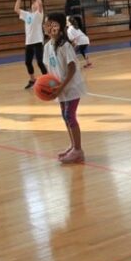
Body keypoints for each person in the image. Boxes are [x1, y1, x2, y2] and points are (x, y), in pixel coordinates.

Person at [43, 13, 87, 164]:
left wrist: (61, 86)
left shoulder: (65, 46)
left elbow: (72, 68)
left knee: (69, 115)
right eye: (46, 24)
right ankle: (73, 146)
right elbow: (50, 72)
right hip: (60, 88)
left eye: (50, 24)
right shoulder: (47, 47)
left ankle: (78, 150)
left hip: (71, 86)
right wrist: (49, 87)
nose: (47, 27)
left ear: (59, 27)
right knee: (65, 116)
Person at [15, 0, 47, 89]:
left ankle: (47, 79)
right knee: (27, 62)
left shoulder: (39, 14)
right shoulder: (27, 14)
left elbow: (40, 3)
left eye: (35, 2)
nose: (34, 3)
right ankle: (32, 80)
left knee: (40, 62)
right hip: (29, 42)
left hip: (38, 41)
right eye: (33, 2)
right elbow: (16, 9)